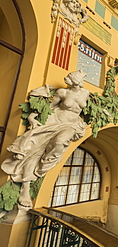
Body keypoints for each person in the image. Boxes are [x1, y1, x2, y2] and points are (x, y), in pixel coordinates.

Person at [1, 70, 90, 208]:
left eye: (71, 78)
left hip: (71, 126)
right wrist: (32, 117)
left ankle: (43, 167)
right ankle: (25, 187)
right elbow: (49, 107)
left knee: (60, 142)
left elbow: (83, 109)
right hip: (54, 121)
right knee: (34, 151)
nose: (68, 80)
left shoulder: (86, 93)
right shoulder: (62, 92)